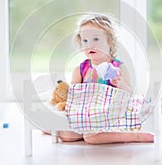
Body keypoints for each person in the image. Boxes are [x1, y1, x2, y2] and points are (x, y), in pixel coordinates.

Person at [58, 13, 154, 144]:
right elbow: (74, 97)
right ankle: (71, 130)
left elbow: (130, 94)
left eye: (96, 39)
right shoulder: (80, 70)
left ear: (110, 41)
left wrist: (120, 84)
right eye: (85, 40)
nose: (89, 44)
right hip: (87, 114)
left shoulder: (118, 68)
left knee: (90, 138)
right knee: (66, 136)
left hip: (110, 114)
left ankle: (134, 136)